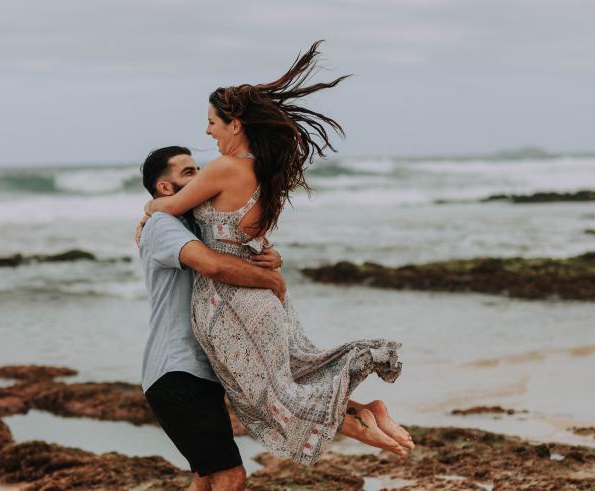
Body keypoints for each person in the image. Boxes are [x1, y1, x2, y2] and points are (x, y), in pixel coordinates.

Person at [140, 41, 414, 466]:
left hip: (230, 305)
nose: (208, 132)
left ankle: (363, 422)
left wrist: (149, 209)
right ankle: (363, 412)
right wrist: (271, 266)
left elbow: (172, 208)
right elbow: (250, 243)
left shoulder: (225, 168)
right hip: (265, 302)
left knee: (271, 399)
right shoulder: (264, 179)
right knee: (292, 378)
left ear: (235, 125)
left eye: (213, 122)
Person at [137, 146, 284, 491]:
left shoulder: (194, 224)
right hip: (177, 370)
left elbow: (238, 251)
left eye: (199, 169)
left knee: (204, 478)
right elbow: (214, 266)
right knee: (230, 476)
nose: (201, 177)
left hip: (195, 372)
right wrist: (271, 280)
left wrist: (272, 259)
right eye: (188, 172)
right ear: (165, 189)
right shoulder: (163, 225)